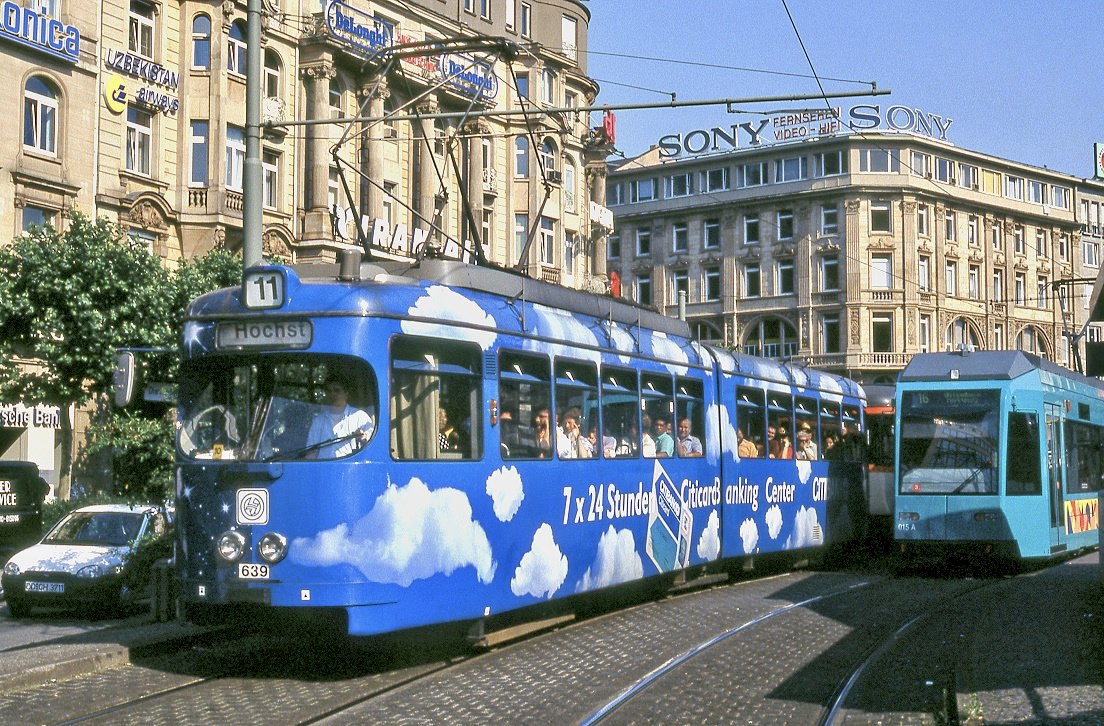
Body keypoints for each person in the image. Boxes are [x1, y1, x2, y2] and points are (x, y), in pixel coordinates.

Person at [306, 377, 373, 458]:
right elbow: (310, 453)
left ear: (346, 394)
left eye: (337, 390)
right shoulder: (318, 421)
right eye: (329, 391)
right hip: (323, 469)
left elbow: (372, 452)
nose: (332, 394)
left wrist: (363, 439)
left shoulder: (360, 417)